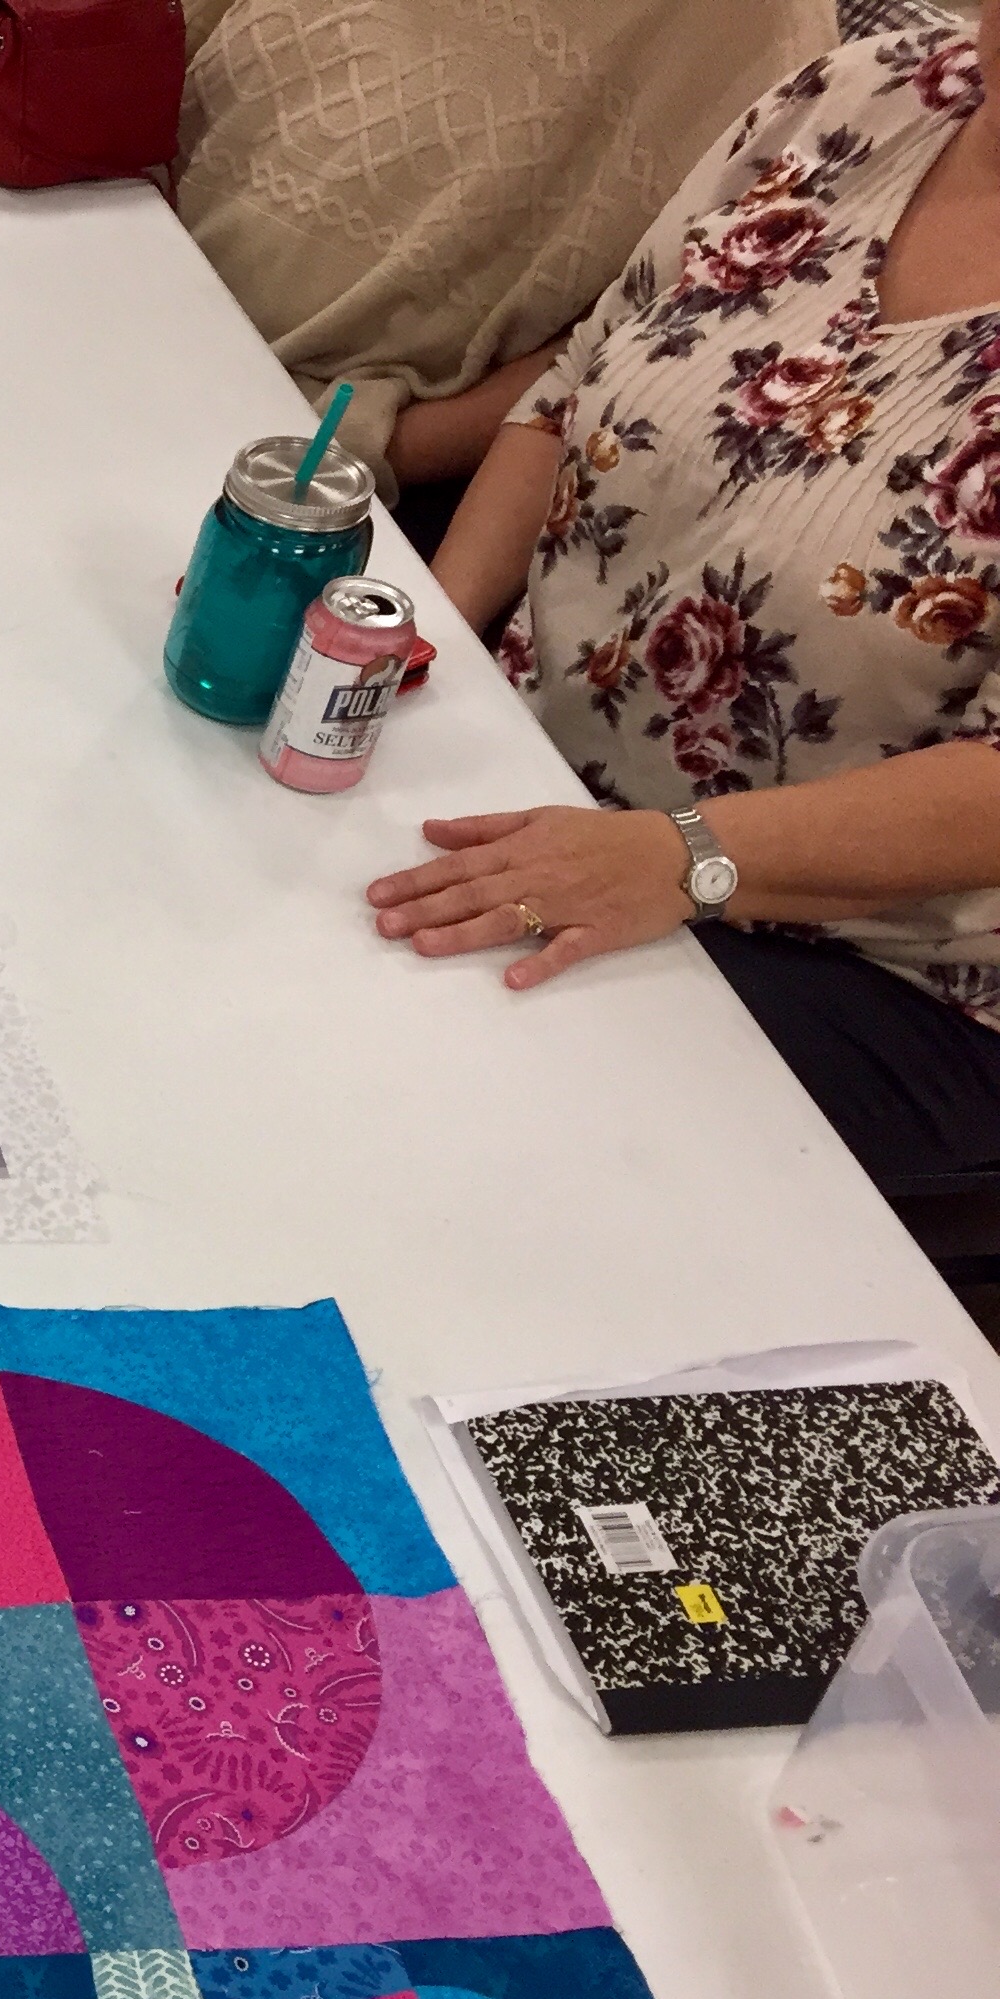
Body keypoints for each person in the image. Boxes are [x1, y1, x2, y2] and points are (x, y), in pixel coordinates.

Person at [371, 7, 1000, 1186]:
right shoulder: (868, 90)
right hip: (541, 760)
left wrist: (678, 856)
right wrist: (425, 636)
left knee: (439, 1124)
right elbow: (579, 381)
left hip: (869, 957)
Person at [177, 0, 836, 512]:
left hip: (309, 454)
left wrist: (365, 446)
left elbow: (640, 343)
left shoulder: (785, 63)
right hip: (136, 260)